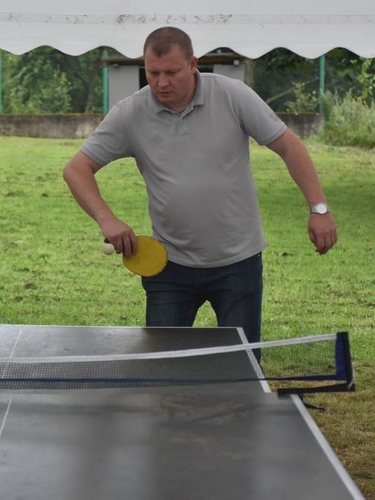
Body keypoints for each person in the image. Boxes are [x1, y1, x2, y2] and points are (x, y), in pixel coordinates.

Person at [62, 26, 337, 346]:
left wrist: (319, 208)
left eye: (171, 72)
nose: (161, 83)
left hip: (238, 264)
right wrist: (107, 219)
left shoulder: (233, 95)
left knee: (240, 372)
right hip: (169, 268)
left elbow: (290, 146)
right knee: (162, 371)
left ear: (193, 64)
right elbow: (76, 169)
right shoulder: (130, 113)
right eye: (153, 73)